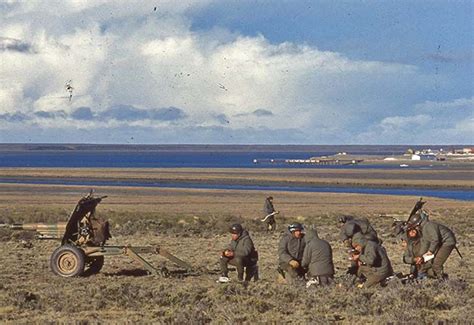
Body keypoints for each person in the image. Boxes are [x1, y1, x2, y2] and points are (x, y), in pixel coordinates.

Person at [407, 210, 456, 279]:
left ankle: (443, 281)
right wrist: (422, 256)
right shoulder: (423, 228)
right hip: (441, 243)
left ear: (417, 224)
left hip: (447, 242)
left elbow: (435, 240)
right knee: (430, 262)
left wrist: (430, 251)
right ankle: (438, 278)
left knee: (437, 264)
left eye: (414, 226)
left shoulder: (428, 226)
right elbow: (427, 243)